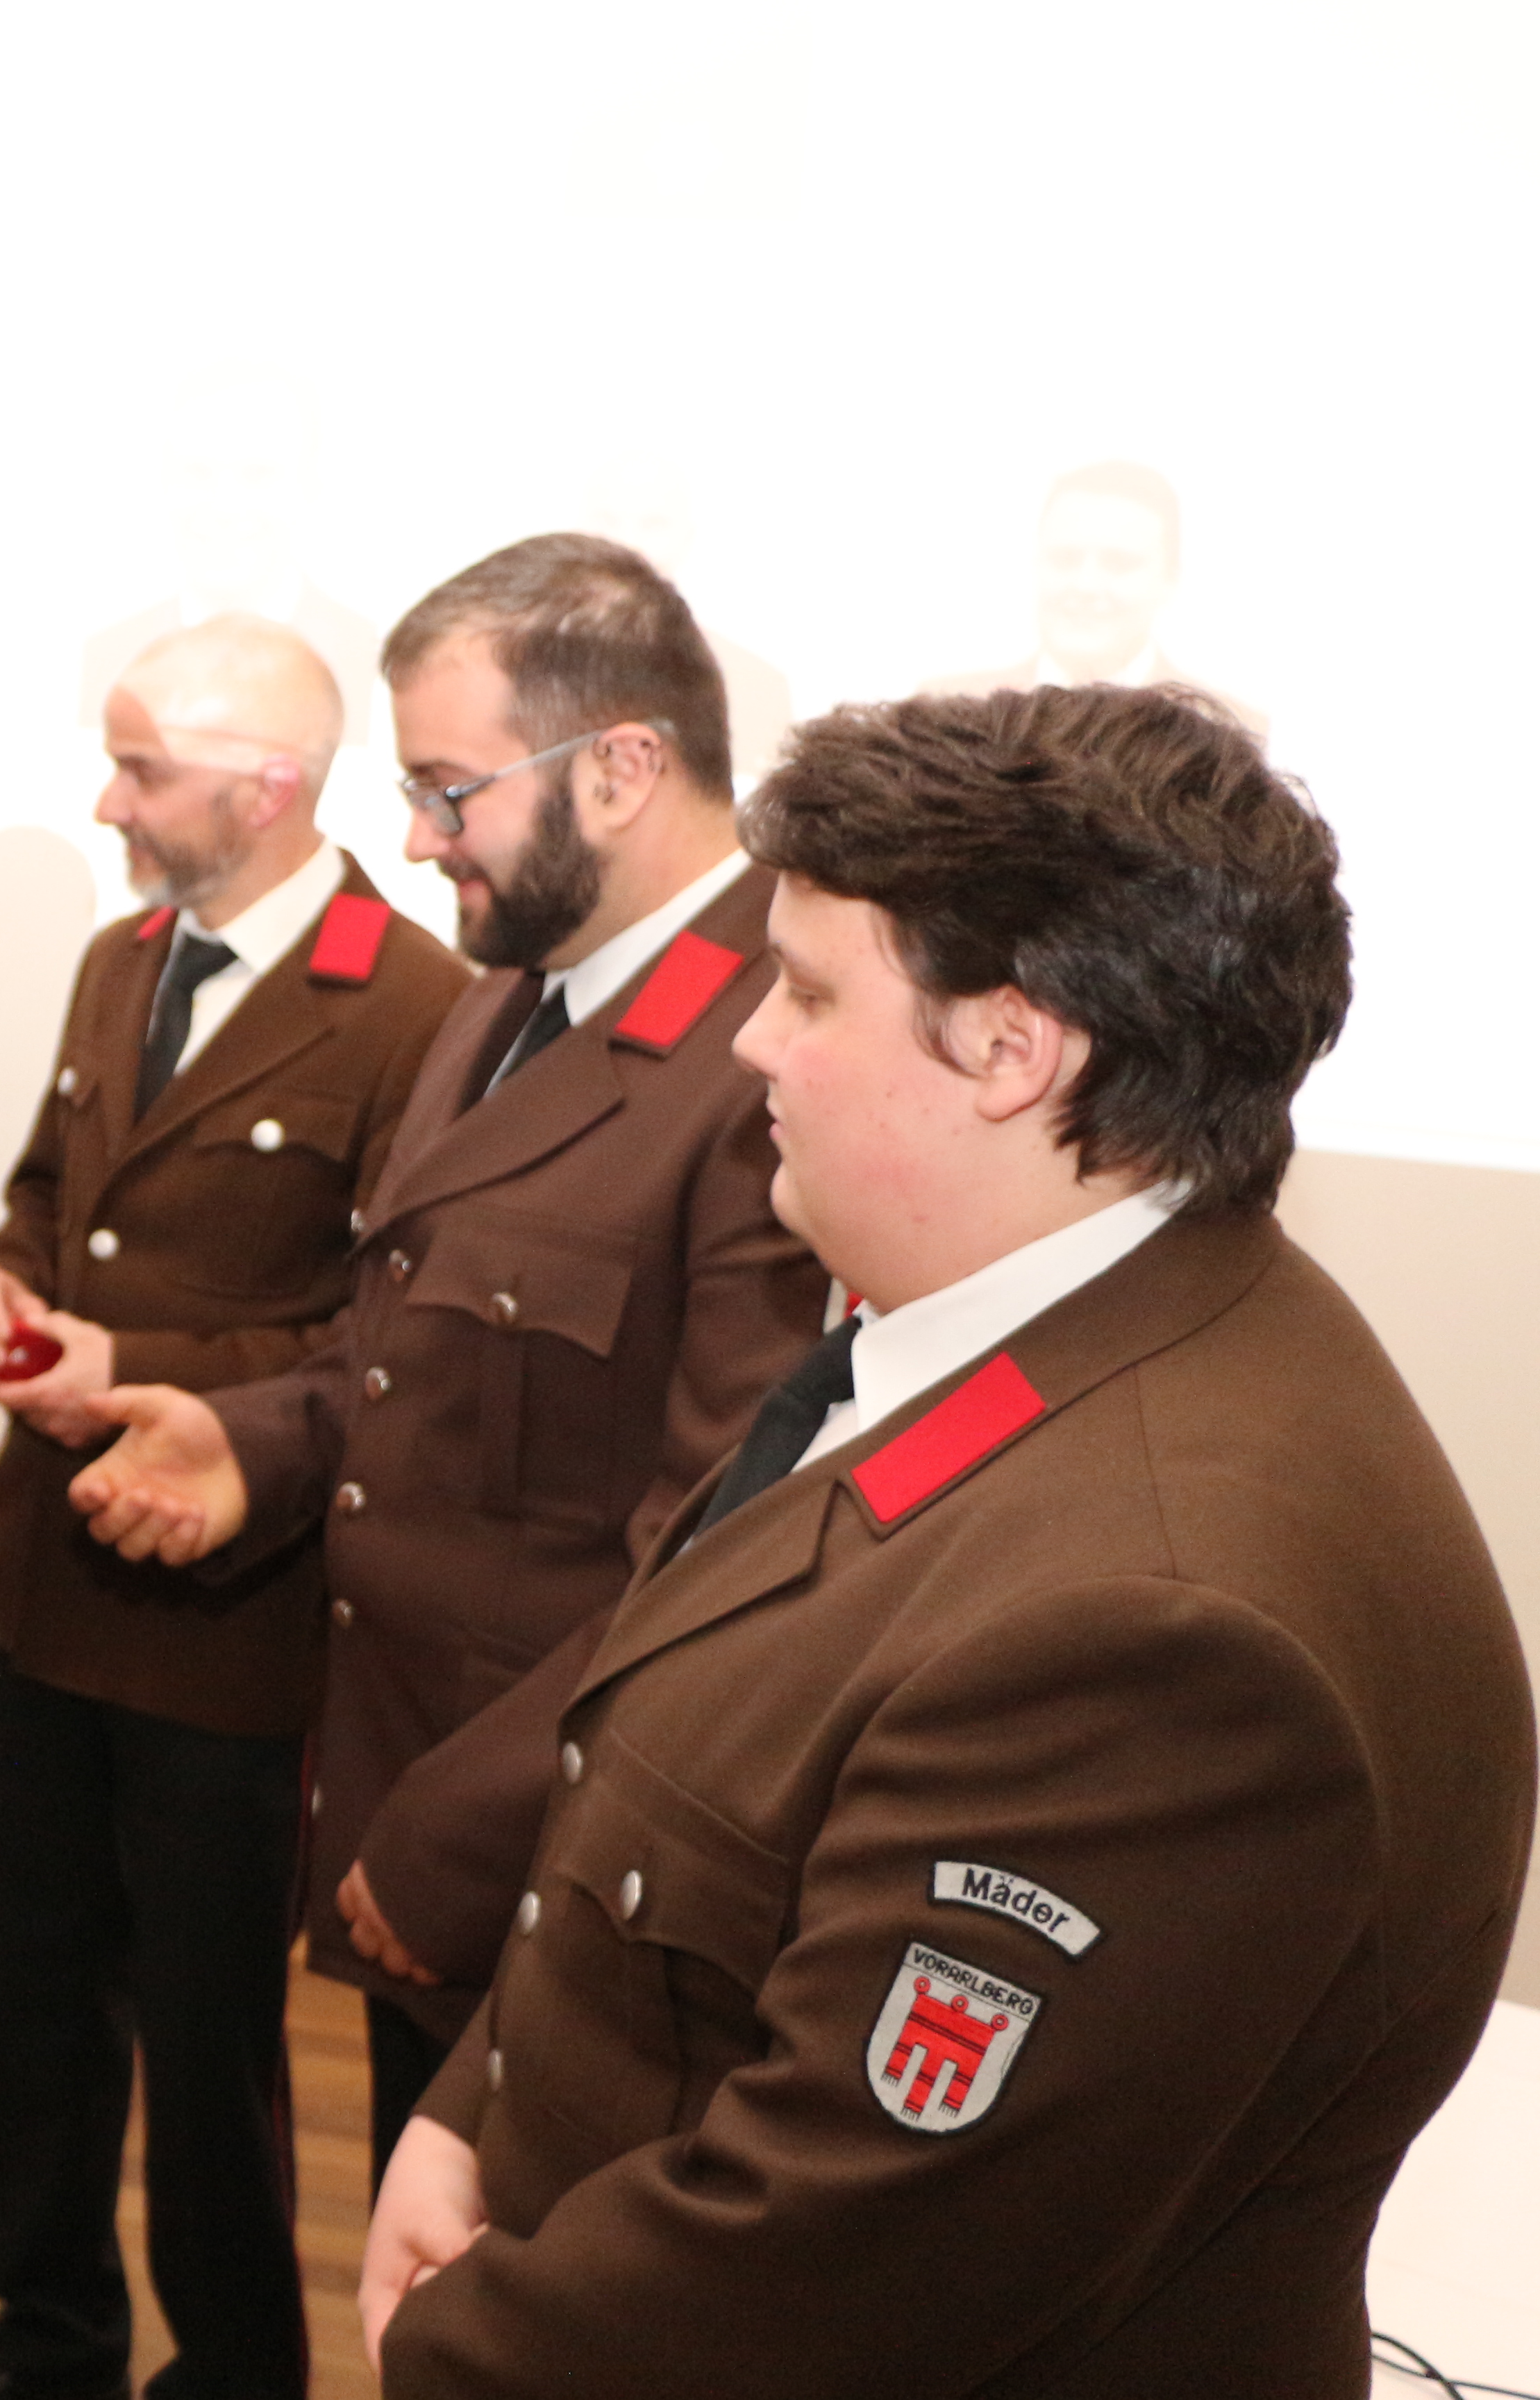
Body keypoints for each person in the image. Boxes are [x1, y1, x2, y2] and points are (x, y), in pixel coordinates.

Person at [352, 683, 1532, 2392]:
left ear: (1009, 1048)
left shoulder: (1158, 1635)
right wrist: (467, 2114)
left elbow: (835, 2259)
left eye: (810, 991)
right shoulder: (1003, 1338)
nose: (750, 1042)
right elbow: (661, 1849)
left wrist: (451, 2343)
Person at [68, 537, 826, 2196]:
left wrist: (456, 1834)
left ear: (619, 770)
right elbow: (400, 1354)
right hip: (413, 1793)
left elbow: (718, 1553)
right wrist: (251, 1442)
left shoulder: (774, 1048)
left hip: (561, 1866)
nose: (414, 840)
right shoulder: (506, 1000)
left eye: (446, 791)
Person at [0, 615, 468, 2400]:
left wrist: (127, 1359)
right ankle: (47, 2332)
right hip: (52, 1579)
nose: (107, 802)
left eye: (140, 770)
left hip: (233, 1609)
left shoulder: (415, 1010)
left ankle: (232, 2369)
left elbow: (384, 1340)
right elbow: (45, 1201)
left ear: (265, 784)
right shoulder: (116, 957)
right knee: (31, 2000)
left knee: (210, 2042)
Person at [923, 458, 1266, 737]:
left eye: (1119, 564)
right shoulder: (946, 709)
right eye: (1065, 559)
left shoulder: (1229, 727)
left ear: (1170, 580)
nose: (1086, 586)